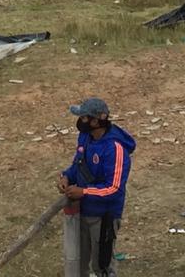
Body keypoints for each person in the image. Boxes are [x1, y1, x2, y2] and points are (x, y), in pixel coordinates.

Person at [57, 97, 135, 277]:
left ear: (97, 121)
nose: (80, 121)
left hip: (104, 216)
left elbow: (113, 188)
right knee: (79, 259)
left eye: (84, 118)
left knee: (102, 264)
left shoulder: (115, 149)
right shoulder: (85, 137)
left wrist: (83, 191)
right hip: (82, 210)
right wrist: (66, 176)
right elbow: (78, 164)